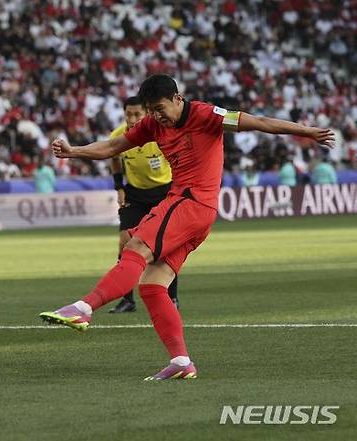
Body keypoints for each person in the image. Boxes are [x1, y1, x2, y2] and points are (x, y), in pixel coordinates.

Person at [40, 74, 334, 380]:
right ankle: (181, 362)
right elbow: (114, 146)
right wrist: (74, 151)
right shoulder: (154, 124)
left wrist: (307, 132)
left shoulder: (207, 115)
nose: (155, 116)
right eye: (150, 110)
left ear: (177, 99)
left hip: (190, 202)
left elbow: (260, 121)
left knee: (135, 247)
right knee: (153, 285)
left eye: (159, 108)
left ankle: (83, 308)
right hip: (196, 212)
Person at [107, 96, 178, 314]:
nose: (133, 119)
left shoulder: (160, 133)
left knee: (164, 248)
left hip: (163, 193)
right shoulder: (118, 136)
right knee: (125, 243)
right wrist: (119, 186)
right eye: (128, 114)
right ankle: (127, 300)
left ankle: (172, 297)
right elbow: (114, 158)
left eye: (138, 114)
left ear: (147, 114)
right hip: (135, 195)